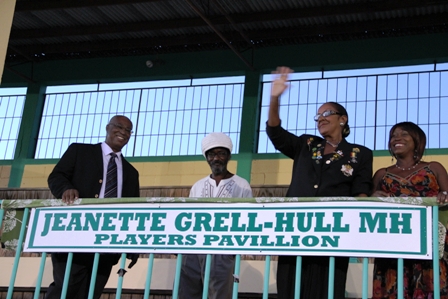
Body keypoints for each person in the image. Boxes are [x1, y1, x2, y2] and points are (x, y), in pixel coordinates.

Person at [266, 66, 373, 299]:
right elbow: (275, 132)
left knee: (326, 288)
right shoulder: (306, 144)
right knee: (290, 287)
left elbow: (361, 192)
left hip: (333, 232)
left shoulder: (361, 153)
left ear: (342, 119)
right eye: (317, 116)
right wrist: (274, 97)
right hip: (295, 229)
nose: (320, 119)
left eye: (327, 113)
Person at [46, 115, 140, 299]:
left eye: (128, 130)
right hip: (74, 236)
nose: (123, 132)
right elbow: (56, 177)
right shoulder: (79, 151)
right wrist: (66, 188)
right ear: (107, 127)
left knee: (92, 292)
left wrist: (132, 246)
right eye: (119, 127)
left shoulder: (131, 172)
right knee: (66, 288)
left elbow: (133, 209)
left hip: (107, 243)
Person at [371, 121, 448, 299]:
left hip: (429, 246)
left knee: (432, 290)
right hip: (392, 247)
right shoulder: (382, 174)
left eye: (404, 134)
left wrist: (444, 195)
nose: (396, 138)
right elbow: (369, 205)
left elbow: (446, 194)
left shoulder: (434, 168)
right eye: (393, 135)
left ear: (417, 140)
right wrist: (373, 196)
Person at [178, 132, 253, 299]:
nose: (216, 158)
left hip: (223, 249)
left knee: (217, 294)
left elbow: (247, 218)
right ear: (207, 157)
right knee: (188, 292)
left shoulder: (242, 184)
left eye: (221, 153)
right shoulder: (198, 186)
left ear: (228, 156)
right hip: (194, 249)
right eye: (212, 154)